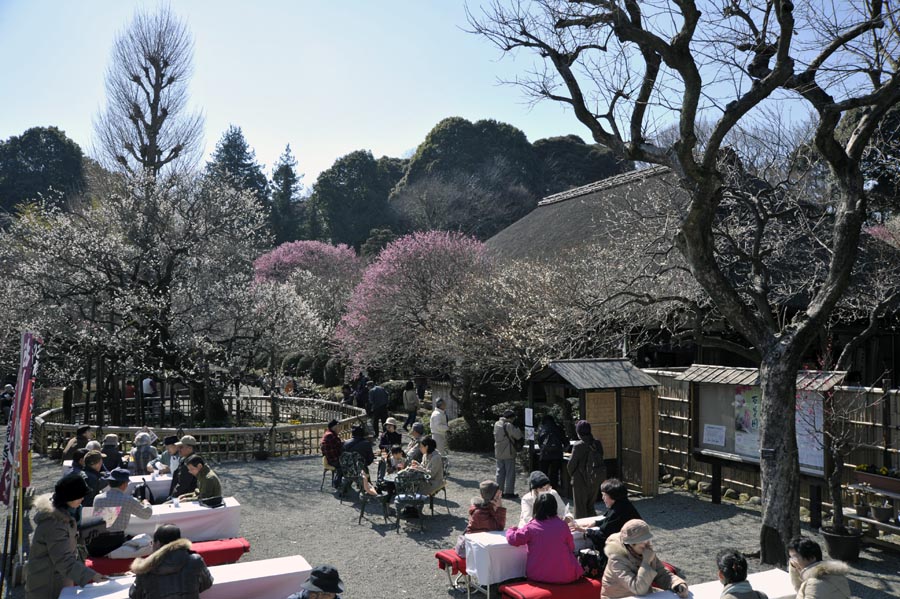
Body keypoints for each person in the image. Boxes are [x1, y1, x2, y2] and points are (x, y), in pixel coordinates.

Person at [25, 474, 105, 599]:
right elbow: (63, 560)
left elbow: (66, 541)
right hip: (47, 583)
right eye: (80, 496)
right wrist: (91, 576)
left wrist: (83, 537)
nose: (83, 499)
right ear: (69, 497)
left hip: (57, 577)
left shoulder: (66, 514)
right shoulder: (54, 523)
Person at [505, 493, 582, 584]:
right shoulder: (562, 525)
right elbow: (571, 547)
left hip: (538, 575)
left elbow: (513, 539)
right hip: (565, 575)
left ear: (536, 508)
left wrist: (511, 529)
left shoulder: (531, 527)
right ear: (554, 507)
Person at [601, 519, 688, 599]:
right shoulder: (616, 560)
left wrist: (676, 583)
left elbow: (661, 573)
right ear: (631, 544)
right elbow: (638, 589)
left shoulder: (644, 550)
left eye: (648, 540)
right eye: (642, 542)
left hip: (642, 595)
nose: (647, 545)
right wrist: (646, 561)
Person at [129, 524, 214, 599]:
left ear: (158, 543)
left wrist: (138, 579)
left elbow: (135, 595)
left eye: (152, 542)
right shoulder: (195, 560)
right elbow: (207, 583)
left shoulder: (145, 569)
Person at [88, 468, 153, 556]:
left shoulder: (97, 498)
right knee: (146, 539)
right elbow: (147, 514)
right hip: (116, 543)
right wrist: (146, 503)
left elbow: (107, 521)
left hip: (96, 542)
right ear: (124, 484)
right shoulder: (128, 500)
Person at [572, 478, 642, 551]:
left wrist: (585, 530)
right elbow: (609, 521)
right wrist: (595, 523)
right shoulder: (623, 504)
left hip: (631, 549)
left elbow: (604, 536)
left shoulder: (617, 511)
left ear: (613, 496)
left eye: (604, 495)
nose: (603, 498)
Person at [455, 480, 506, 557]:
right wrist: (500, 508)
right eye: (498, 495)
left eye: (500, 493)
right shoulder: (480, 513)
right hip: (472, 548)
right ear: (491, 497)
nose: (500, 496)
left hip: (482, 544)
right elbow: (499, 529)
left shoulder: (490, 506)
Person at [567, 420, 606, 518]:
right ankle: (593, 528)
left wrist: (573, 475)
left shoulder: (578, 445)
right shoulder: (597, 443)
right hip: (595, 478)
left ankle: (581, 531)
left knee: (580, 508)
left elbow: (571, 465)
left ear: (578, 432)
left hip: (580, 480)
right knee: (590, 506)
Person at [494, 410, 523, 499]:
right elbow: (518, 435)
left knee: (500, 472)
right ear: (511, 418)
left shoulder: (497, 424)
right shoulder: (509, 425)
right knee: (510, 473)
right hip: (508, 452)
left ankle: (499, 492)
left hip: (498, 451)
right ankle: (509, 492)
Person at [536, 414, 568, 490]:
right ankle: (553, 490)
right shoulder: (558, 428)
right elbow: (566, 442)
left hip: (545, 455)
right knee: (554, 474)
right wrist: (562, 449)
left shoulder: (542, 429)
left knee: (543, 474)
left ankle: (543, 490)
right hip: (557, 455)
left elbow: (540, 442)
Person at [320, 419, 343, 486]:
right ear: (334, 427)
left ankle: (340, 482)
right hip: (333, 460)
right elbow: (341, 446)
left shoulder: (328, 433)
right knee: (348, 464)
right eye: (339, 427)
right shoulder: (331, 436)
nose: (340, 429)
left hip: (329, 459)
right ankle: (338, 483)